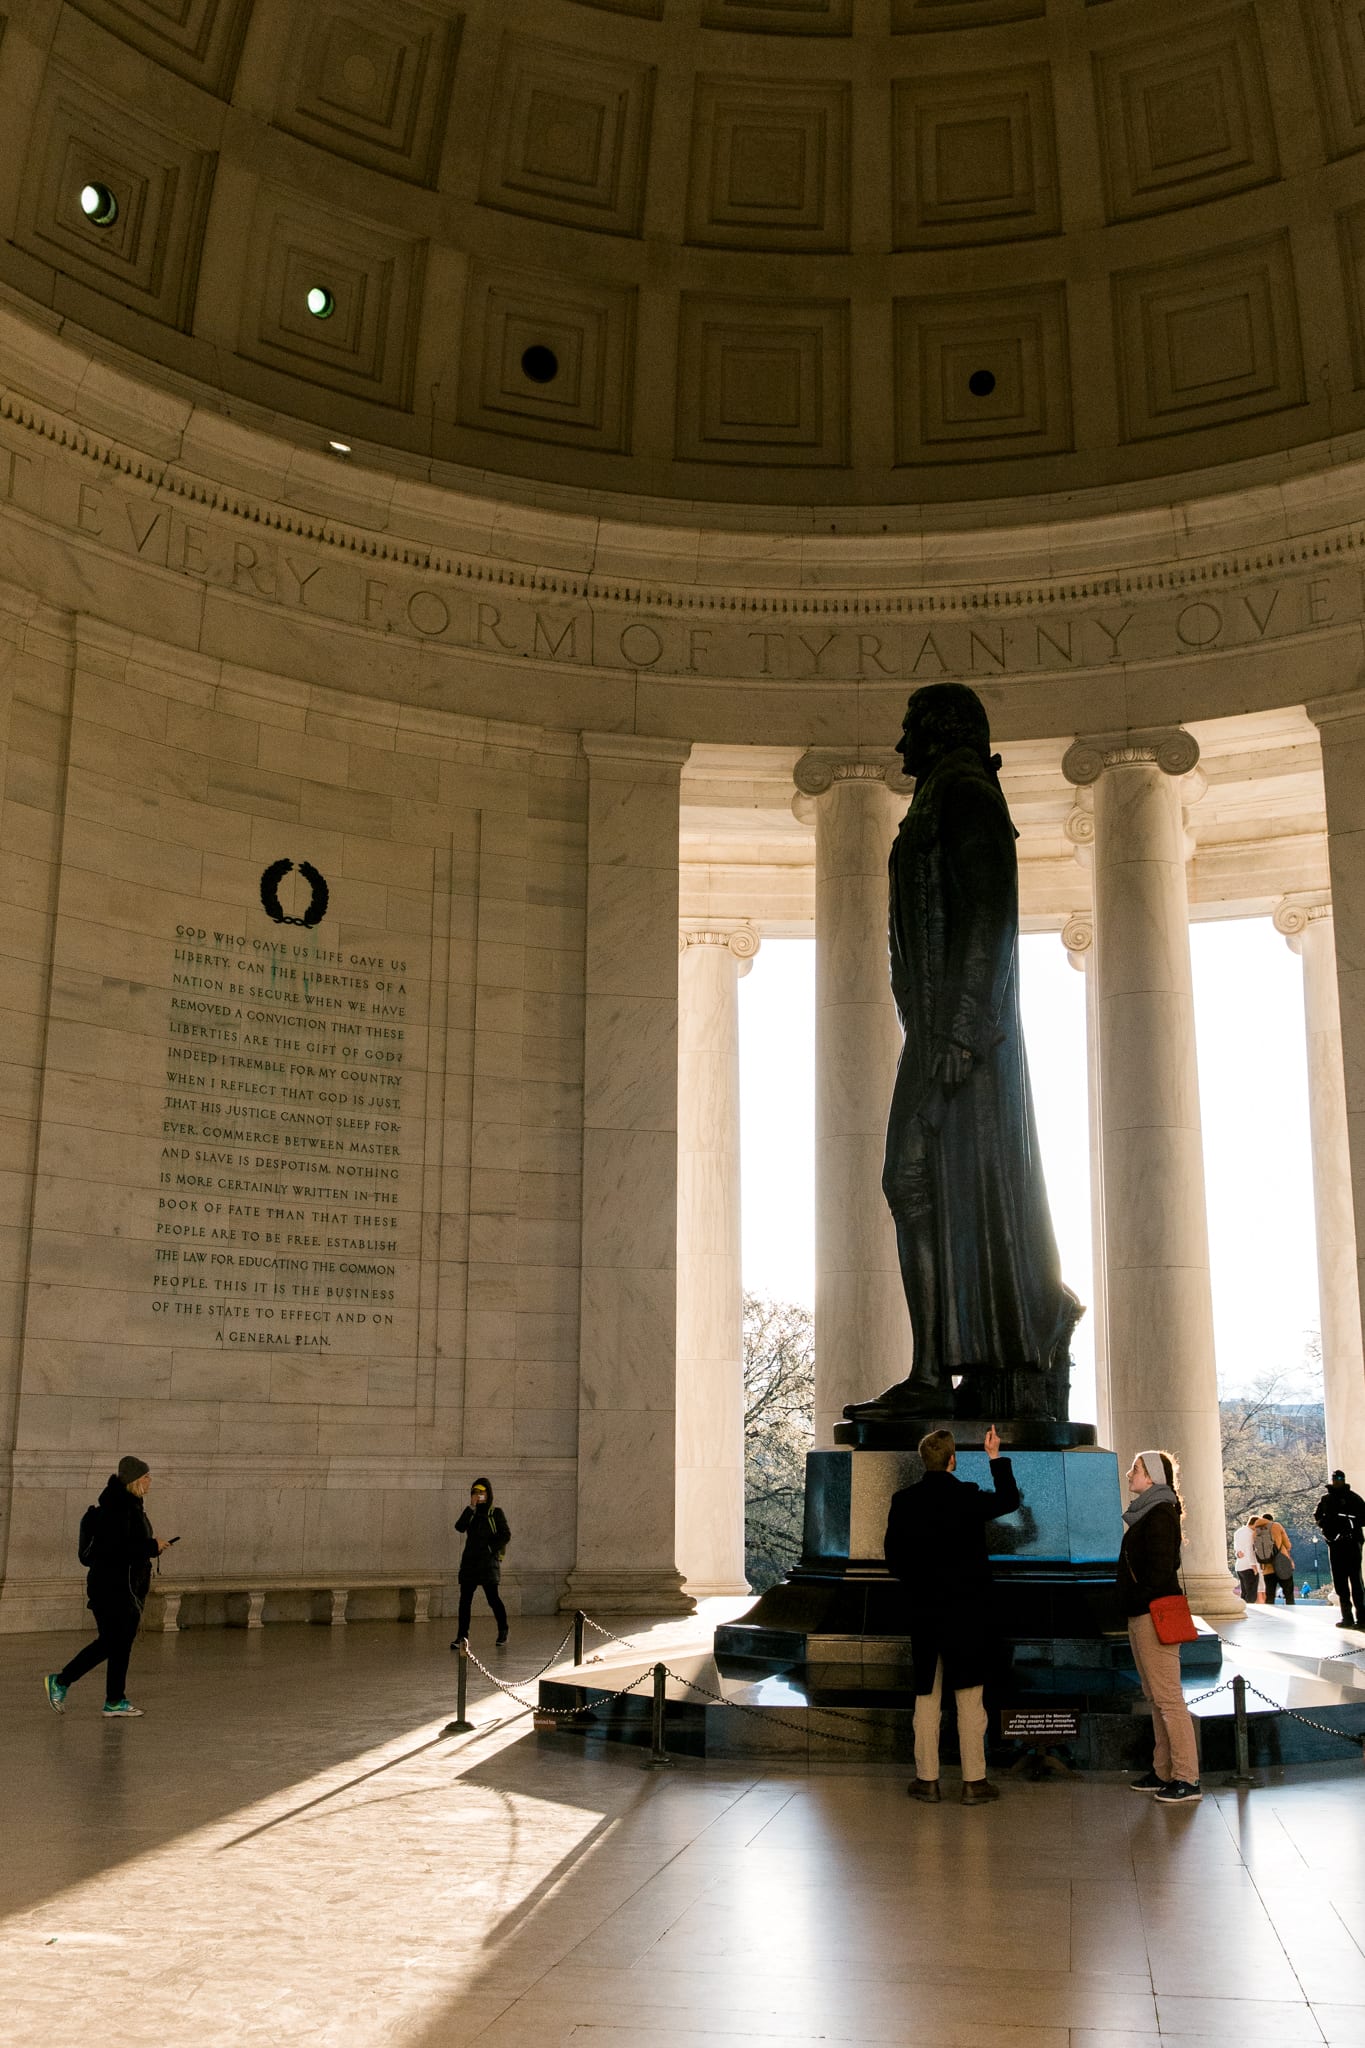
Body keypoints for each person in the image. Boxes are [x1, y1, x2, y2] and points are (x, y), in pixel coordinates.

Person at [849, 684, 1080, 1431]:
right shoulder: (939, 797)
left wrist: (957, 1032)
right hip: (937, 1034)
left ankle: (946, 1364)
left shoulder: (969, 793)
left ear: (944, 729)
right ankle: (934, 1367)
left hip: (962, 1041)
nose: (900, 745)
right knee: (918, 1184)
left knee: (916, 1179)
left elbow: (988, 915)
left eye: (911, 727)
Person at [884, 1423, 1019, 1805]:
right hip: (966, 1613)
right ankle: (974, 1781)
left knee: (927, 1697)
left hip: (924, 1611)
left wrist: (919, 1584)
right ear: (952, 1461)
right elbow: (1009, 1500)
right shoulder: (967, 1496)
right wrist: (994, 1456)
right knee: (970, 1698)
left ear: (924, 1461)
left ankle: (927, 1780)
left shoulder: (904, 1501)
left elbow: (894, 1558)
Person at [43, 1456, 173, 1717]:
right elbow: (118, 1548)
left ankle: (114, 1700)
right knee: (111, 1642)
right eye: (146, 1476)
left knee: (120, 1644)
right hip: (112, 1588)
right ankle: (61, 1680)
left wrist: (152, 1548)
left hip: (122, 1587)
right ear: (134, 1481)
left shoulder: (129, 1505)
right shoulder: (119, 1508)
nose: (150, 1481)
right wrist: (152, 1546)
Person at [1118, 1449, 1201, 1805]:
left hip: (1154, 1614)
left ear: (1152, 1476)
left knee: (1168, 1699)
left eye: (1135, 1468)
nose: (1129, 1474)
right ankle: (1164, 1770)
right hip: (1144, 1612)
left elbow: (1160, 1570)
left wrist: (1138, 1598)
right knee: (1156, 1697)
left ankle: (1187, 1777)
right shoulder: (1149, 1512)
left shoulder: (1160, 1514)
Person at [451, 1477, 510, 1648]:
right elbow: (459, 1527)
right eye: (475, 1492)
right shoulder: (472, 1513)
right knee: (465, 1601)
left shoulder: (495, 1513)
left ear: (488, 1494)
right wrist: (471, 1507)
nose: (478, 1495)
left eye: (481, 1492)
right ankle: (462, 1637)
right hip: (470, 1563)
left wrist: (490, 1548)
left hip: (487, 1564)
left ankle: (503, 1631)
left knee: (493, 1599)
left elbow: (505, 1535)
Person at [1314, 1469, 1365, 1629]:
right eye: (1335, 1478)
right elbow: (1318, 1516)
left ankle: (1362, 1618)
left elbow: (1363, 1517)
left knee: (1356, 1581)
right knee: (1340, 1582)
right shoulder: (1326, 1499)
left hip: (1352, 1543)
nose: (1337, 1480)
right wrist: (1328, 1530)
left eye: (1340, 1478)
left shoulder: (1353, 1498)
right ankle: (1347, 1617)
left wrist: (1349, 1525)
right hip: (1335, 1544)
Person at [1255, 1513, 1295, 1605]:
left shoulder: (1256, 1529)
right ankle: (1291, 1611)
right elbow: (1288, 1545)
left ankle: (1270, 1612)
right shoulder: (1276, 1526)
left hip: (1266, 1566)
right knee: (1288, 1593)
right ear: (1271, 1520)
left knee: (1270, 1594)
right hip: (1282, 1564)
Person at [1232, 1517, 1260, 1604]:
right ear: (1255, 1524)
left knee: (1244, 1593)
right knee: (1251, 1594)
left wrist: (1237, 1553)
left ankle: (1244, 1609)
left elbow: (1236, 1547)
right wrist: (1253, 1565)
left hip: (1240, 1566)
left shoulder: (1238, 1532)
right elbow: (1249, 1550)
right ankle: (1249, 1610)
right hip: (1249, 1567)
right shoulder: (1250, 1534)